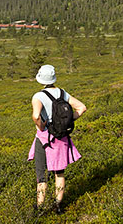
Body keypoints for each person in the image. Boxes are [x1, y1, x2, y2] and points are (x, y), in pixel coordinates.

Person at [27, 64, 87, 214]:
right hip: (61, 138)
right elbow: (82, 108)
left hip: (44, 139)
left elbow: (35, 116)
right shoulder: (63, 93)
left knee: (42, 175)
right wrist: (68, 121)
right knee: (59, 173)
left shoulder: (38, 96)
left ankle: (40, 208)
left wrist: (41, 126)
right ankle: (58, 206)